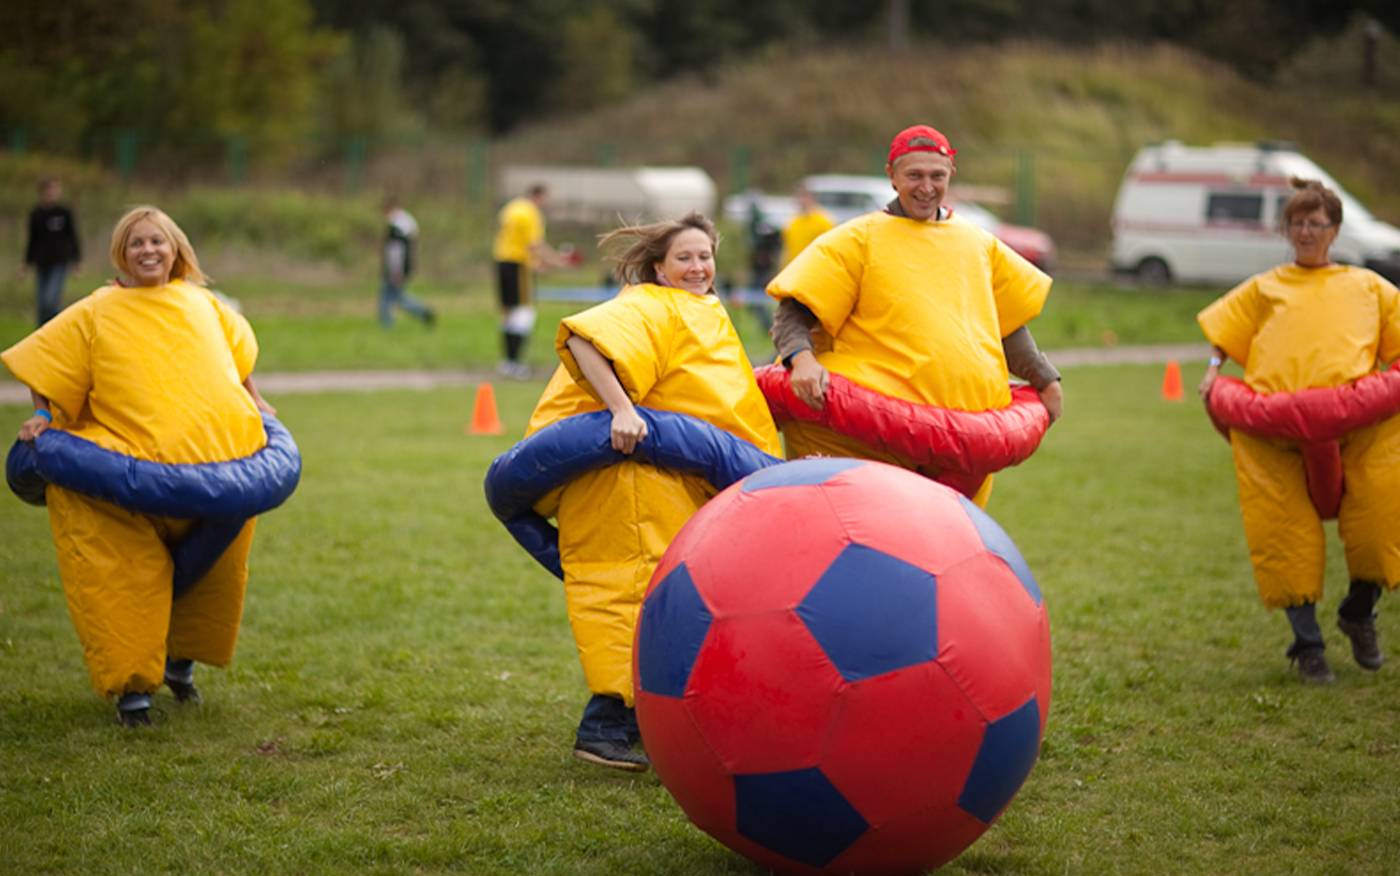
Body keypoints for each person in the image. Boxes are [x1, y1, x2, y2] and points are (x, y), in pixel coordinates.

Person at [2, 206, 280, 726]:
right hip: (128, 480)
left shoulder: (205, 304)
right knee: (123, 574)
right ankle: (133, 695)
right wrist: (43, 416)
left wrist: (257, 401)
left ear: (176, 250)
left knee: (213, 575)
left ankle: (180, 663)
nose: (148, 250)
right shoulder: (97, 310)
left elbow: (237, 362)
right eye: (136, 243)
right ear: (121, 254)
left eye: (157, 241)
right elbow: (47, 359)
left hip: (219, 476)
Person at [523, 212, 780, 771]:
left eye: (705, 256)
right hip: (628, 477)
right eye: (684, 258)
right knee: (633, 594)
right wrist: (621, 410)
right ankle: (605, 725)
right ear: (659, 267)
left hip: (675, 476)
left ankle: (655, 720)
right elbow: (583, 339)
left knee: (674, 598)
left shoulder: (700, 308)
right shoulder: (649, 303)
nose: (698, 266)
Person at [767, 124, 1063, 506]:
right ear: (891, 176)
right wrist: (801, 360)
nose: (926, 187)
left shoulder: (978, 243)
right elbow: (794, 310)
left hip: (961, 445)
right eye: (914, 176)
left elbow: (1007, 327)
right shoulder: (857, 240)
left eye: (937, 176)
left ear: (951, 174)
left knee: (939, 537)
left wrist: (1044, 378)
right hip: (870, 436)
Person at [1198, 178, 1400, 685]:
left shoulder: (1368, 287)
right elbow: (1223, 336)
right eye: (1297, 223)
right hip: (1277, 431)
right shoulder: (1265, 287)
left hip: (1357, 426)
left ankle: (1359, 611)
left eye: (1315, 223)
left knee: (1381, 520)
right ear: (1286, 230)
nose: (1305, 232)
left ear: (1334, 230)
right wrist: (1213, 370)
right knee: (1282, 532)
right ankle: (1307, 645)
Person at [493, 183, 570, 379]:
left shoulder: (511, 207)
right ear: (538, 196)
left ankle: (507, 362)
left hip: (502, 262)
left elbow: (514, 241)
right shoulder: (530, 213)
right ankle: (514, 363)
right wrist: (557, 260)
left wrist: (537, 263)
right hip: (518, 265)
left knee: (508, 313)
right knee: (524, 312)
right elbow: (534, 245)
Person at [23, 177, 81, 326]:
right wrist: (26, 263)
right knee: (42, 303)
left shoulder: (64, 213)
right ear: (42, 192)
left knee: (51, 300)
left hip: (59, 262)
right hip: (42, 262)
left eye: (56, 189)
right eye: (51, 189)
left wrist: (76, 261)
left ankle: (56, 329)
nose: (54, 193)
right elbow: (32, 240)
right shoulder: (36, 214)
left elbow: (72, 237)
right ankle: (41, 332)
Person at [379, 196, 435, 328]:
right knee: (396, 297)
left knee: (389, 298)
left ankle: (387, 325)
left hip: (396, 269)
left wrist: (396, 271)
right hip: (402, 268)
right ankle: (423, 312)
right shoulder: (406, 225)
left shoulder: (395, 230)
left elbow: (395, 252)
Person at [781, 185, 834, 268]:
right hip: (794, 267)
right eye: (799, 197)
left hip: (814, 268)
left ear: (812, 199)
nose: (801, 201)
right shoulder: (792, 223)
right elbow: (786, 250)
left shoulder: (823, 221)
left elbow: (829, 248)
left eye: (805, 197)